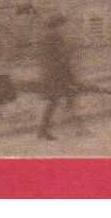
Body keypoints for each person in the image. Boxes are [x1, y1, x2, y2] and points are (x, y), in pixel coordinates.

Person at [37, 13, 83, 141]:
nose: (65, 28)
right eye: (63, 25)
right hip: (56, 75)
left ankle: (76, 127)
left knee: (64, 99)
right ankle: (45, 130)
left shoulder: (50, 36)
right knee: (58, 100)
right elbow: (60, 55)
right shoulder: (53, 37)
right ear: (58, 26)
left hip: (55, 73)